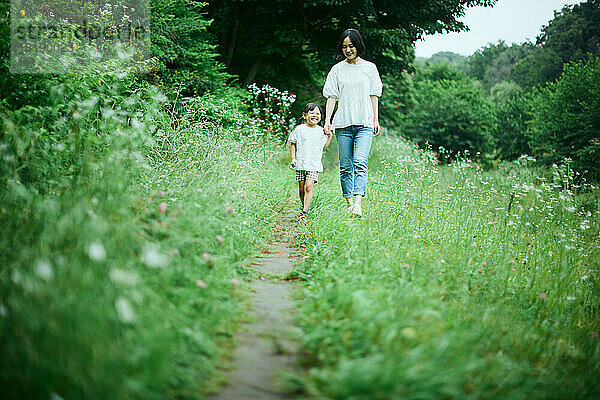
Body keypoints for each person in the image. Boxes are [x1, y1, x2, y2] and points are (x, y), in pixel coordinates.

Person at [323, 28, 383, 217]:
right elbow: (331, 97)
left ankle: (358, 203)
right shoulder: (337, 69)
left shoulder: (369, 68)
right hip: (343, 123)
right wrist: (327, 121)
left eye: (351, 46)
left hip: (364, 122)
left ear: (359, 46)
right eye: (344, 47)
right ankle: (349, 203)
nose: (348, 50)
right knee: (346, 165)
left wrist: (375, 119)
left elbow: (374, 94)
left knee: (360, 161)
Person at [289, 103, 333, 217]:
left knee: (309, 186)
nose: (315, 115)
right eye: (312, 113)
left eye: (317, 113)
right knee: (302, 189)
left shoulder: (320, 131)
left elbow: (323, 147)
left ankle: (305, 212)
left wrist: (330, 137)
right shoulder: (299, 129)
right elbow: (293, 144)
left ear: (321, 117)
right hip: (301, 163)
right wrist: (293, 159)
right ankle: (303, 205)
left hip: (314, 164)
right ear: (304, 115)